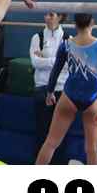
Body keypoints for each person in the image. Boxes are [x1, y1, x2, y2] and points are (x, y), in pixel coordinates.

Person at [35, 14, 97, 166]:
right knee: (93, 150)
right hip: (93, 99)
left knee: (51, 143)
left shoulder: (66, 44)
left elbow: (55, 71)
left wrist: (50, 92)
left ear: (75, 24)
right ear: (93, 23)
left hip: (69, 96)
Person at [30, 11, 69, 163]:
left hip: (61, 90)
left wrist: (45, 59)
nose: (47, 17)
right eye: (46, 14)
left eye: (51, 15)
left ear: (60, 17)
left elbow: (68, 65)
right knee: (42, 131)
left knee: (61, 133)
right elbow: (35, 63)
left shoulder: (68, 39)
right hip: (42, 88)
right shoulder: (37, 37)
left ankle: (59, 166)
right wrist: (58, 61)